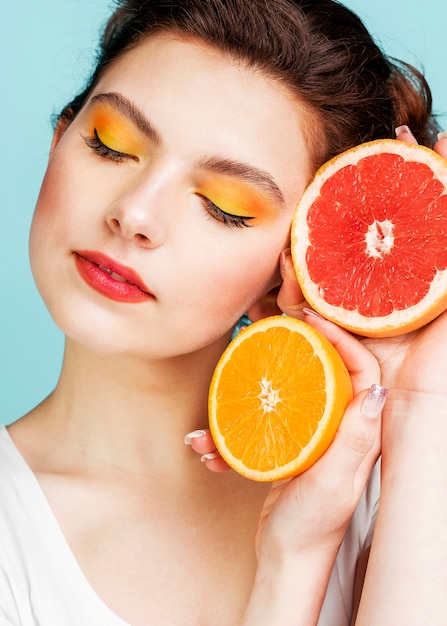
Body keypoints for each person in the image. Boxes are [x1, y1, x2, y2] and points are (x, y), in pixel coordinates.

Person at [1, 0, 447, 624]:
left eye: (223, 205)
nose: (135, 214)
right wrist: (291, 566)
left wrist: (422, 402)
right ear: (59, 137)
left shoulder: (392, 499)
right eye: (110, 145)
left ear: (289, 268)